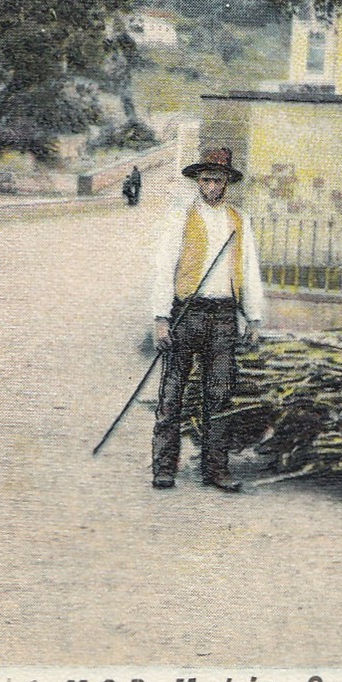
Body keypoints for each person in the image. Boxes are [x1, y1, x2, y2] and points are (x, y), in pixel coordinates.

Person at [147, 147, 266, 492]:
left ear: (227, 182)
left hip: (224, 316)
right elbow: (164, 268)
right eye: (206, 179)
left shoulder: (238, 220)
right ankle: (164, 468)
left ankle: (216, 469)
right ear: (198, 181)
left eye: (218, 179)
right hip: (187, 313)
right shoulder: (180, 217)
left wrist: (254, 318)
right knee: (172, 394)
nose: (212, 186)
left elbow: (250, 270)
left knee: (219, 396)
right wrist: (160, 318)